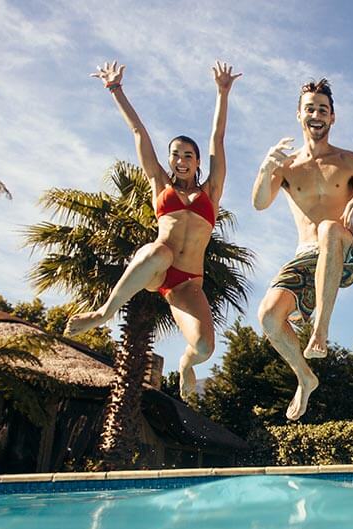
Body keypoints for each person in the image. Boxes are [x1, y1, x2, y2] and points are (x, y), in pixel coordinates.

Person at [66, 60, 241, 399]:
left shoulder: (211, 192)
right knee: (160, 249)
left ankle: (187, 365)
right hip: (157, 268)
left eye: (188, 155)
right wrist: (115, 89)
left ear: (197, 161)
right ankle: (105, 312)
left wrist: (223, 92)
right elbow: (138, 133)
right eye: (175, 155)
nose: (181, 160)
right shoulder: (160, 184)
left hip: (187, 283)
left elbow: (218, 138)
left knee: (205, 347)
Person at [252, 79, 353, 421]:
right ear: (299, 115)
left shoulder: (351, 161)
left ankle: (320, 329)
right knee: (268, 316)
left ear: (333, 117)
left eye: (323, 109)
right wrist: (266, 169)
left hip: (346, 251)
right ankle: (305, 376)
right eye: (310, 108)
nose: (316, 114)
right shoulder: (287, 166)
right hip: (305, 256)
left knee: (328, 228)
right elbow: (260, 202)